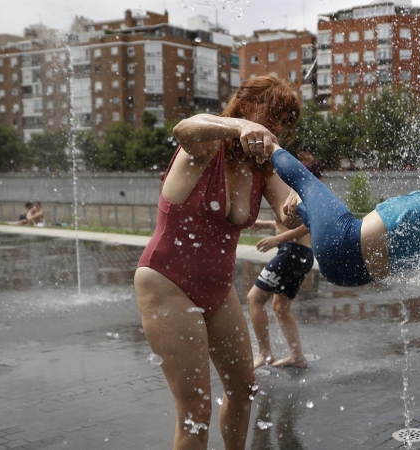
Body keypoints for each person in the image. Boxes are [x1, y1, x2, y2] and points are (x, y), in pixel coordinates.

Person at [133, 75, 303, 450]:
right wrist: (240, 127)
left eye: (284, 119)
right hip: (167, 283)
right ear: (244, 106)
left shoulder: (262, 168)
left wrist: (299, 206)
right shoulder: (207, 146)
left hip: (218, 290)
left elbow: (289, 211)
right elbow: (184, 127)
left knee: (244, 391)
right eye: (269, 114)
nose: (275, 126)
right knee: (196, 410)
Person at [248, 101, 420, 287]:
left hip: (345, 241)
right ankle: (302, 210)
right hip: (354, 275)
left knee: (306, 183)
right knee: (318, 212)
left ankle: (268, 146)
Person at [246, 216, 314, 369]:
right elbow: (292, 222)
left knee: (254, 299)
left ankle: (264, 354)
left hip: (292, 253)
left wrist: (277, 239)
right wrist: (268, 223)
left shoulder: (292, 192)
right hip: (299, 254)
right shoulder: (289, 192)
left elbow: (309, 224)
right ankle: (297, 356)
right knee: (280, 308)